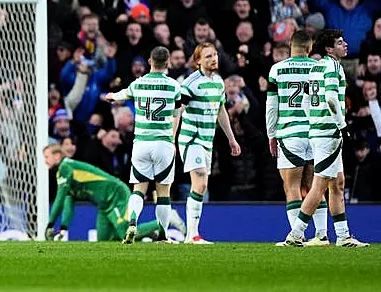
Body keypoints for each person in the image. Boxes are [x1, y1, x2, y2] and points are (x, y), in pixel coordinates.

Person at [283, 29, 368, 247]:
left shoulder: (316, 67)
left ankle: (343, 236)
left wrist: (315, 121)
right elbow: (331, 99)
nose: (346, 45)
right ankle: (295, 234)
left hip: (318, 131)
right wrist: (342, 126)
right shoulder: (332, 67)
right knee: (319, 185)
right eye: (340, 42)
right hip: (329, 133)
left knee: (338, 183)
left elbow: (304, 102)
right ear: (329, 49)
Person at [105, 46, 181, 244]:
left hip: (141, 143)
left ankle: (132, 222)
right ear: (168, 62)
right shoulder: (174, 86)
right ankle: (163, 235)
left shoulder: (139, 84)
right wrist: (172, 138)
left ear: (149, 61)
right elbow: (177, 113)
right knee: (163, 191)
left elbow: (119, 95)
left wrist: (111, 96)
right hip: (163, 143)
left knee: (138, 189)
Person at [43, 144, 185, 242]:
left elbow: (59, 199)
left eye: (47, 156)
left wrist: (49, 224)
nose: (45, 161)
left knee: (125, 233)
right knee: (104, 241)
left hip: (116, 195)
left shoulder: (65, 168)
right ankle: (148, 233)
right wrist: (63, 228)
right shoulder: (66, 173)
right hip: (104, 205)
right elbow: (68, 202)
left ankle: (166, 219)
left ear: (57, 155)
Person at [266, 30, 329, 246]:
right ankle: (321, 235)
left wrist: (271, 134)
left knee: (291, 186)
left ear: (290, 45)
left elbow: (272, 106)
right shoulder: (319, 69)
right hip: (314, 133)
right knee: (315, 185)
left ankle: (297, 235)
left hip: (290, 134)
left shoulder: (277, 70)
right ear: (310, 48)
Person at [175, 42, 242, 244]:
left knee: (201, 186)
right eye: (207, 56)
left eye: (214, 55)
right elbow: (179, 110)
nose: (213, 59)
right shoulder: (190, 83)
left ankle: (191, 234)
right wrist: (172, 136)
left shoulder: (219, 82)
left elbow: (221, 111)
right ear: (197, 61)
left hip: (207, 141)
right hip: (191, 138)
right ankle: (192, 235)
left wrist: (231, 138)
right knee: (201, 181)